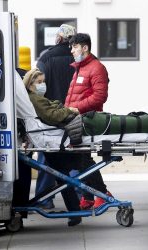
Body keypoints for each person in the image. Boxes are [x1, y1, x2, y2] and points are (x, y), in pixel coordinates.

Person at [23, 68, 82, 227]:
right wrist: (68, 110)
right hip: (52, 140)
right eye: (39, 82)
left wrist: (59, 106)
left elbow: (51, 111)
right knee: (64, 175)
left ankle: (74, 210)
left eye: (44, 81)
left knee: (62, 176)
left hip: (50, 139)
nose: (43, 85)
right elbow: (52, 116)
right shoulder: (36, 99)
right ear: (30, 84)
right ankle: (74, 210)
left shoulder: (34, 98)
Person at [65, 33, 112, 209]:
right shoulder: (80, 68)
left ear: (85, 48)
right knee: (80, 159)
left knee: (84, 159)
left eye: (74, 47)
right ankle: (89, 196)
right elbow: (74, 95)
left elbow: (100, 96)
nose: (71, 50)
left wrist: (77, 108)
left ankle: (102, 193)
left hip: (88, 119)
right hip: (76, 119)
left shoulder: (96, 67)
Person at [34, 24, 76, 209]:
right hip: (76, 114)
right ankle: (81, 195)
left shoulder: (46, 57)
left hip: (50, 115)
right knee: (77, 154)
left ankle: (44, 199)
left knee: (47, 156)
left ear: (58, 38)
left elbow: (37, 87)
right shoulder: (80, 57)